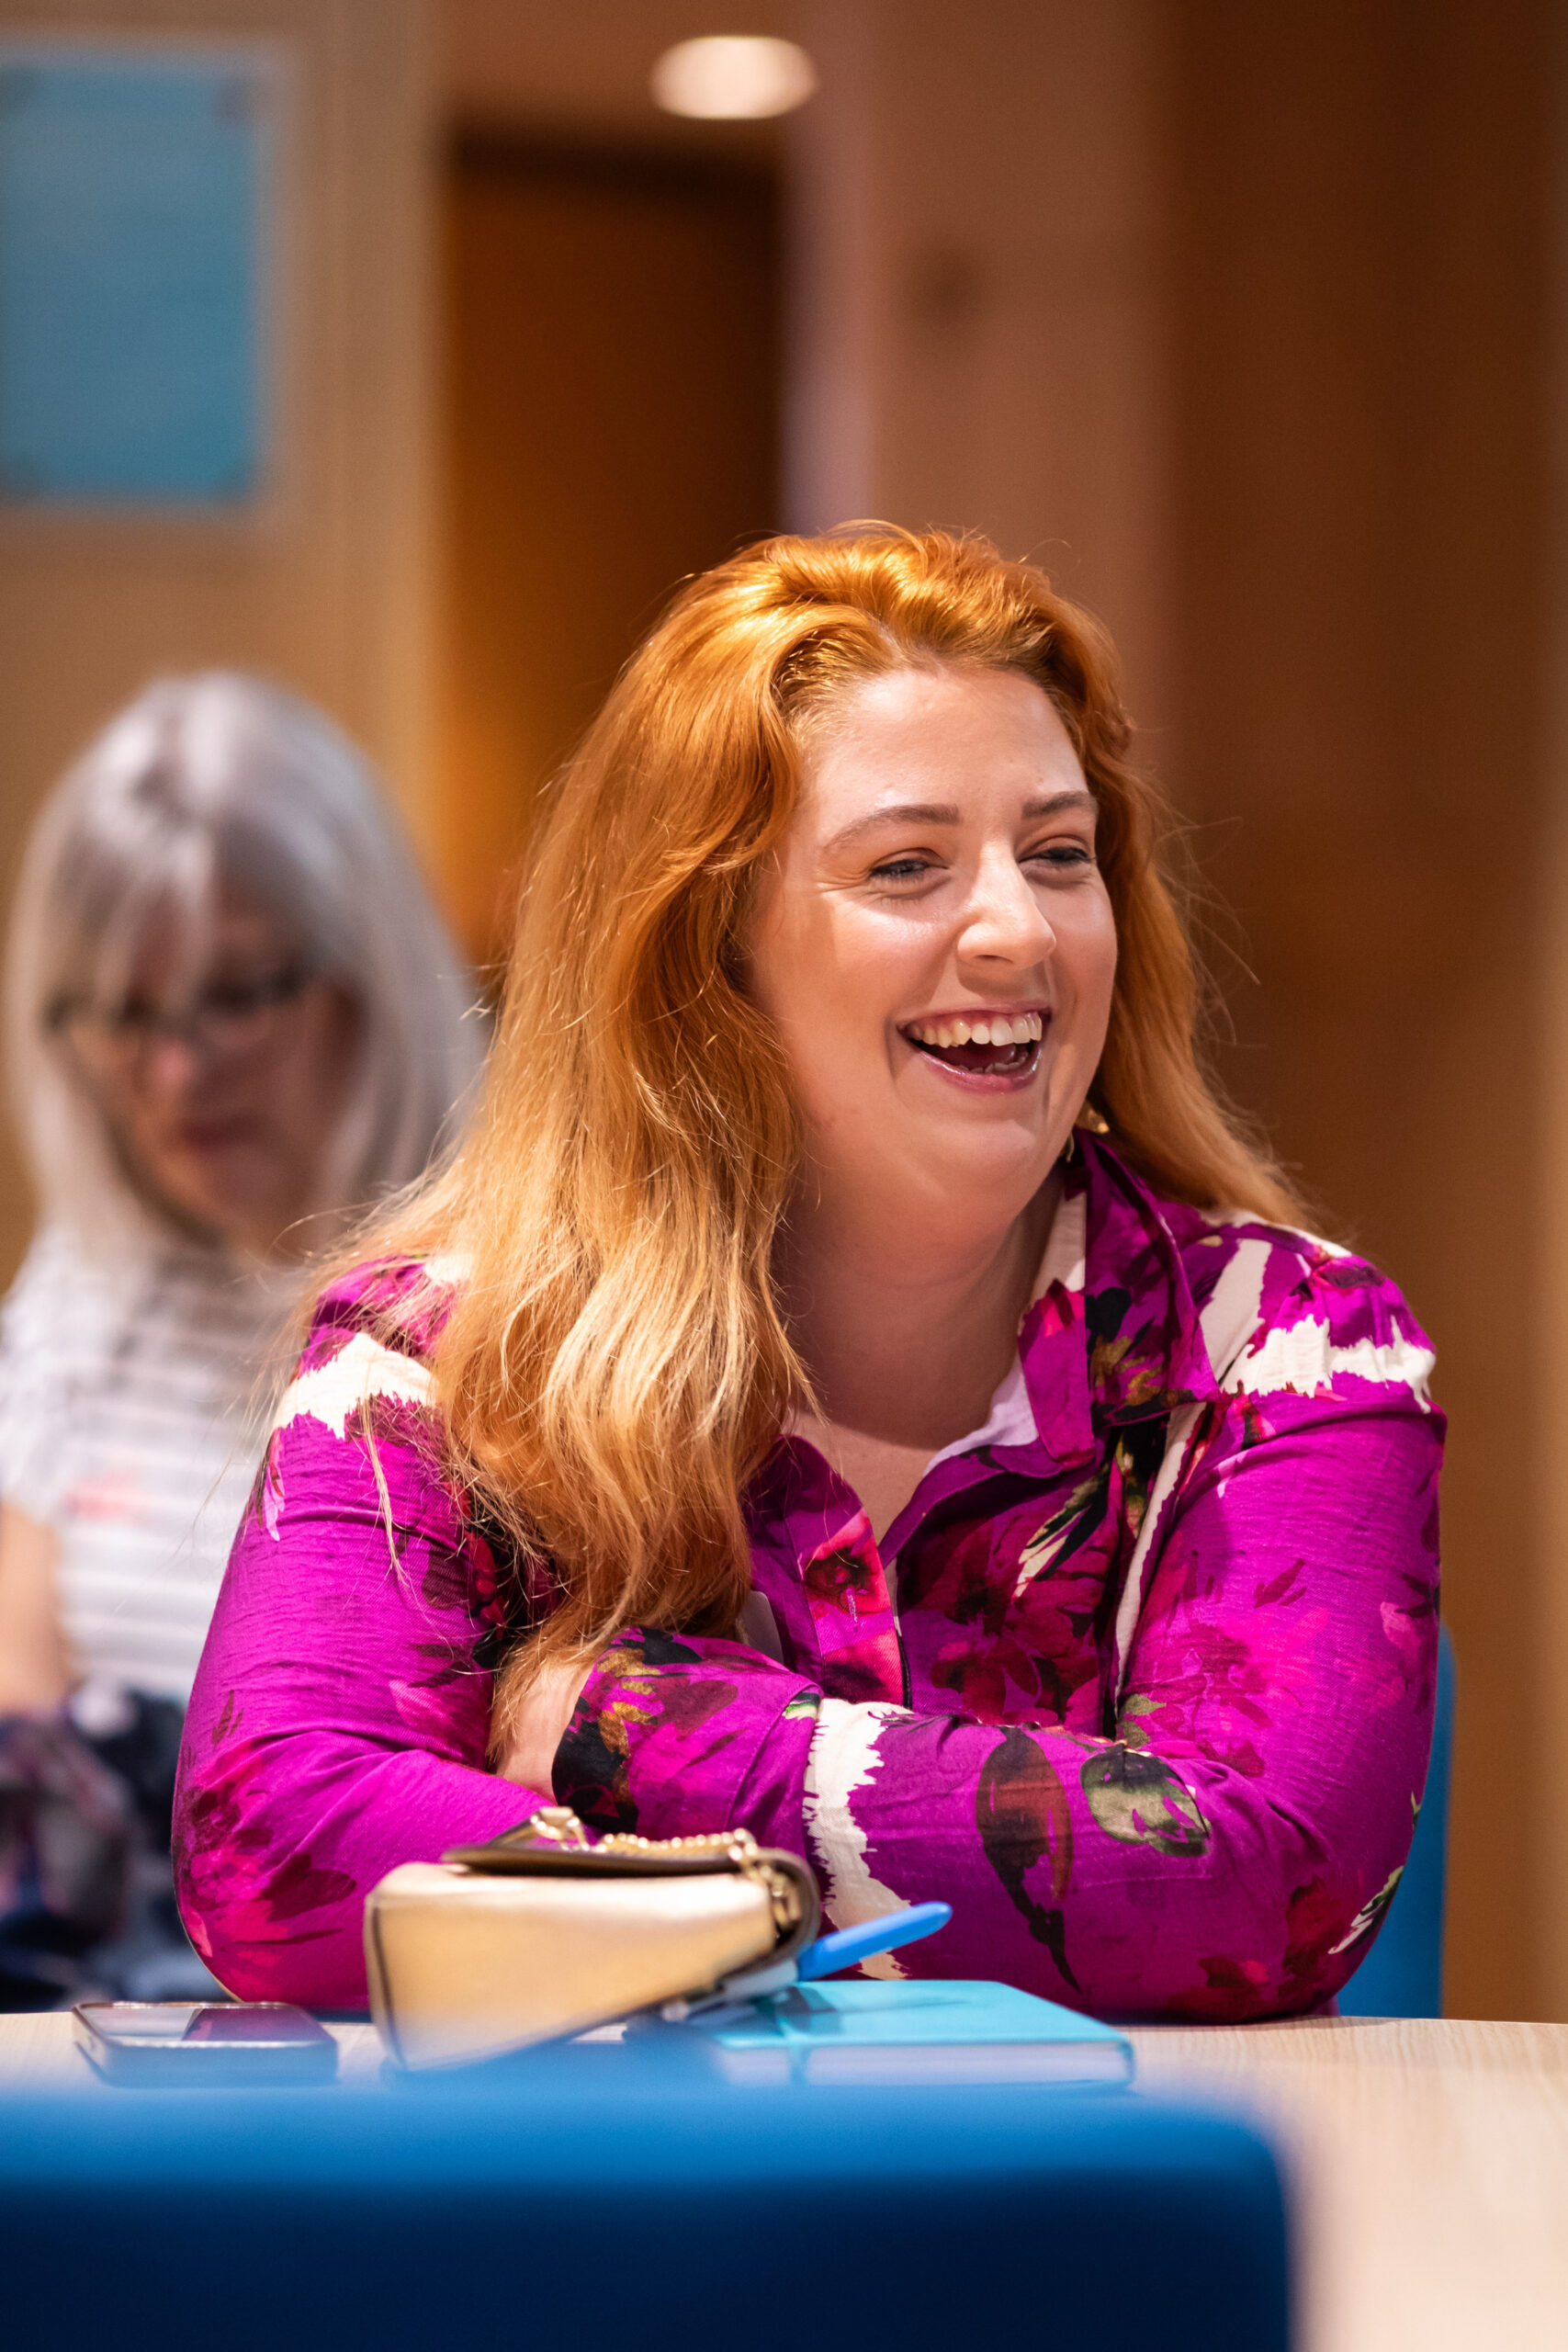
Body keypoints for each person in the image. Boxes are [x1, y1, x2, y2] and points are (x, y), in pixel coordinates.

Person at [175, 531, 1442, 2021]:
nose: (1018, 929)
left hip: (1079, 2226)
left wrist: (631, 1729)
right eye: (907, 867)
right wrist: (824, 1897)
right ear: (710, 959)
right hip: (629, 2227)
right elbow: (273, 1844)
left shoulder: (1296, 1348)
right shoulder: (437, 1358)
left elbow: (1259, 1883)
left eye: (1057, 853)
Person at [0, 673, 481, 2004]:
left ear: (362, 975)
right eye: (122, 1014)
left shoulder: (518, 1271)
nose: (174, 1071)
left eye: (232, 997)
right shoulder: (89, 1288)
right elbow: (25, 1745)